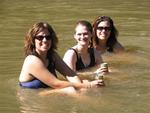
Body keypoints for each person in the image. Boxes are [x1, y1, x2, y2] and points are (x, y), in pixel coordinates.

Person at [19, 22, 103, 94]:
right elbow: (56, 84)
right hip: (37, 97)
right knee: (72, 89)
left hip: (48, 92)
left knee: (81, 85)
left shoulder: (52, 56)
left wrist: (82, 87)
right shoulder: (32, 60)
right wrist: (87, 85)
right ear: (33, 40)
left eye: (48, 37)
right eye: (40, 37)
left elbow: (70, 74)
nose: (45, 40)